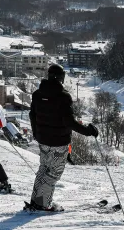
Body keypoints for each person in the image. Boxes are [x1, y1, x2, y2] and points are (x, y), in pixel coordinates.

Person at [26, 64, 99, 212]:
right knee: (53, 173)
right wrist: (88, 131)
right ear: (61, 78)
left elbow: (32, 115)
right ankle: (43, 204)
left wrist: (36, 133)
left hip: (43, 140)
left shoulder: (37, 94)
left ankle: (37, 200)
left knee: (44, 169)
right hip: (59, 141)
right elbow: (69, 122)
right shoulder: (63, 96)